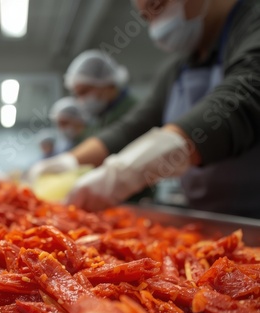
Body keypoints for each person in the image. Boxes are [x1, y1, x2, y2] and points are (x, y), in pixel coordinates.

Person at [37, 0, 260, 218]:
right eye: (146, 16)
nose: (155, 25)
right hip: (208, 218)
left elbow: (238, 102)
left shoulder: (252, 24)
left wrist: (124, 174)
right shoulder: (176, 69)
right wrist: (68, 162)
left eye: (159, 5)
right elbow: (133, 127)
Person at [28, 50, 137, 183]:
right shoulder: (101, 117)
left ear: (107, 84)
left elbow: (117, 138)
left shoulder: (132, 110)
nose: (81, 100)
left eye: (84, 91)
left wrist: (69, 162)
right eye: (77, 94)